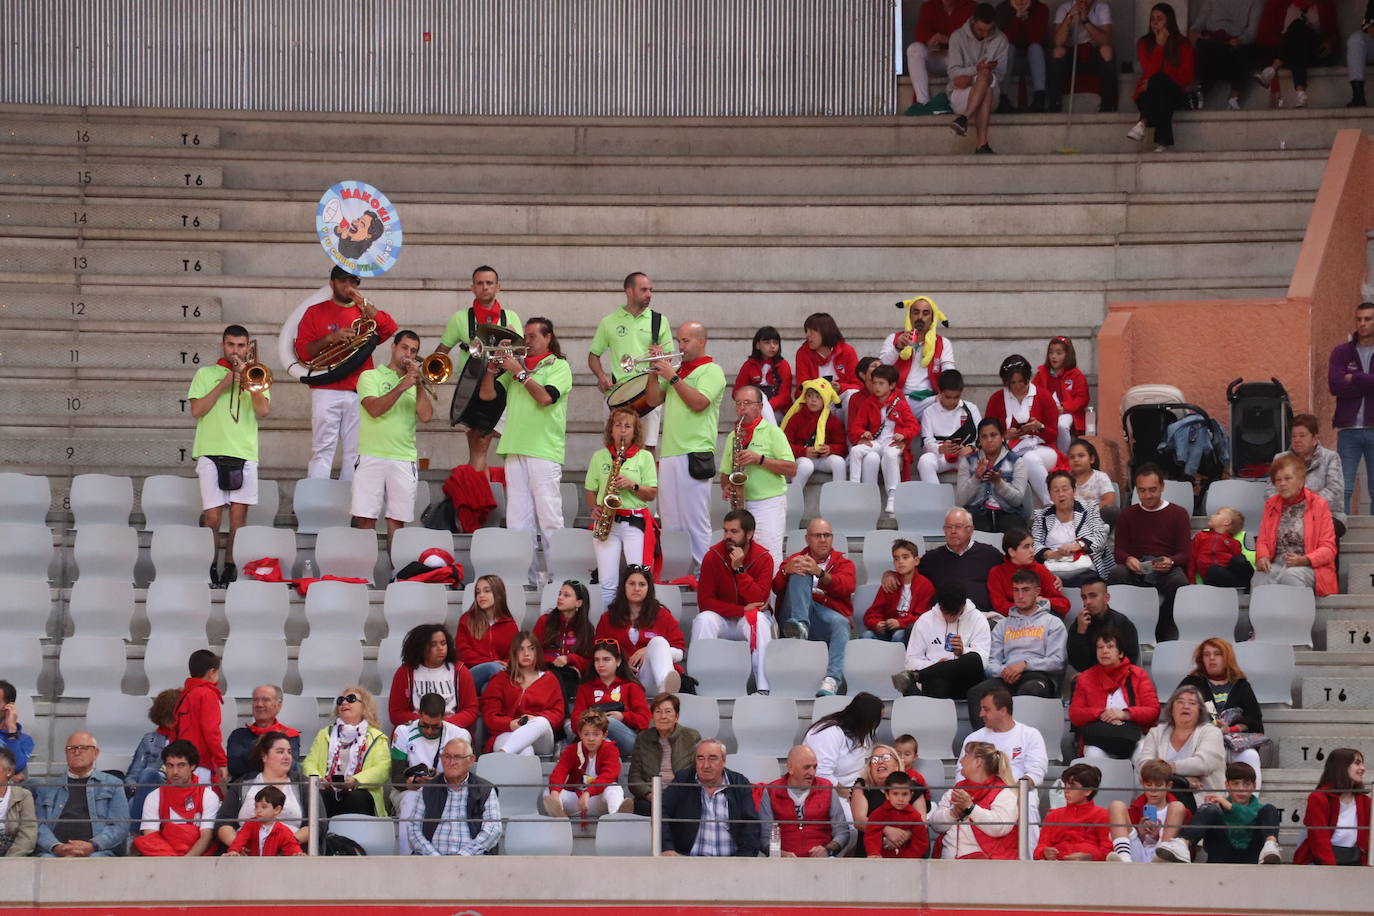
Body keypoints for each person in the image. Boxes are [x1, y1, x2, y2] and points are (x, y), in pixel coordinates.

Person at [480, 317, 573, 581]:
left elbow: (545, 398)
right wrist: (492, 368)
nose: (527, 341)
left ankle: (561, 578)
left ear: (548, 338)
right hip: (514, 446)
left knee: (550, 517)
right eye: (526, 335)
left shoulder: (559, 366)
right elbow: (487, 395)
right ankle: (523, 578)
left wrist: (519, 372)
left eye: (532, 336)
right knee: (517, 521)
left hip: (543, 448)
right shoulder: (516, 368)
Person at [293, 265, 397, 480]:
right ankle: (317, 502)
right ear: (332, 283)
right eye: (343, 281)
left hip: (360, 389)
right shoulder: (315, 311)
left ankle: (349, 505)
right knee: (322, 449)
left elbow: (389, 328)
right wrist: (331, 339)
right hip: (326, 389)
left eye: (353, 281)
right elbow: (303, 352)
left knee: (355, 452)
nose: (349, 286)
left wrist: (363, 304)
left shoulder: (364, 312)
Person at [188, 323, 270, 586]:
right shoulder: (205, 373)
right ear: (223, 345)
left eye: (241, 345)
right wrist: (225, 382)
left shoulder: (257, 375)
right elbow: (197, 410)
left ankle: (231, 567)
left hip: (243, 452)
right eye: (231, 345)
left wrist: (249, 382)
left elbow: (263, 411)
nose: (236, 350)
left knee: (238, 517)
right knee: (212, 517)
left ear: (248, 348)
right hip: (210, 451)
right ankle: (210, 565)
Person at [643, 321, 727, 568]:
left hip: (695, 452)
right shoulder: (679, 370)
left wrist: (673, 376)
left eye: (686, 341)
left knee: (695, 520)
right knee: (670, 520)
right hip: (670, 452)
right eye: (679, 340)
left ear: (702, 341)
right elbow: (652, 399)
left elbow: (699, 403)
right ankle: (674, 570)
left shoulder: (712, 370)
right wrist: (652, 370)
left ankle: (704, 572)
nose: (681, 346)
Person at [433, 265, 521, 472]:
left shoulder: (511, 317)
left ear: (498, 287)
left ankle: (478, 496)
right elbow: (442, 350)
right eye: (480, 283)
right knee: (476, 444)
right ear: (472, 288)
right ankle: (479, 493)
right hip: (470, 386)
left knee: (480, 445)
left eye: (489, 283)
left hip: (500, 387)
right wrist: (429, 367)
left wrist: (514, 339)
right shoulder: (459, 318)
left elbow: (521, 354)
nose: (485, 287)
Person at [350, 329, 433, 548]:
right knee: (365, 518)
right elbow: (374, 409)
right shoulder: (370, 376)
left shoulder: (414, 382)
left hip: (403, 457)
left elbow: (426, 416)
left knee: (397, 520)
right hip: (371, 455)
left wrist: (419, 384)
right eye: (404, 348)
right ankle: (362, 573)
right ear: (393, 347)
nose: (408, 354)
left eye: (414, 351)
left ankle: (396, 575)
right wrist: (403, 385)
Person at [966, 569, 1067, 729]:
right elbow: (992, 664)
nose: (1020, 596)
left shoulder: (1052, 623)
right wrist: (1005, 671)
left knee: (1029, 690)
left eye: (1025, 590)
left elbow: (1057, 662)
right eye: (1016, 590)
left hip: (1038, 676)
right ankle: (986, 746)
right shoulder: (1002, 625)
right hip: (1006, 676)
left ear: (1037, 592)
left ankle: (1019, 744)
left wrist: (1025, 665)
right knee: (977, 692)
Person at [694, 509, 777, 693]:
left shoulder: (764, 558)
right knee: (704, 619)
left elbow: (759, 599)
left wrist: (739, 569)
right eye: (725, 531)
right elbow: (705, 602)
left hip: (746, 621)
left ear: (749, 534)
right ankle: (700, 684)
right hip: (723, 618)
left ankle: (763, 687)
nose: (728, 536)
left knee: (760, 620)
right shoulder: (713, 556)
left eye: (734, 531)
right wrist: (740, 610)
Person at [773, 517, 857, 697]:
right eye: (817, 535)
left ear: (832, 538)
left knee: (841, 623)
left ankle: (832, 680)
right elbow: (777, 589)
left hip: (823, 617)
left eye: (827, 535)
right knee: (800, 569)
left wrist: (819, 573)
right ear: (807, 539)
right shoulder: (794, 560)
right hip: (792, 615)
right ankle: (800, 624)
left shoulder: (844, 563)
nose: (823, 539)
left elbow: (847, 587)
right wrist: (785, 571)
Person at [1109, 464, 1192, 641]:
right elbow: (1119, 552)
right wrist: (1128, 559)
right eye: (1142, 490)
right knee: (1117, 573)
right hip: (1137, 566)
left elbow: (1184, 554)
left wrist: (1170, 561)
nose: (1147, 495)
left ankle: (1161, 631)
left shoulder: (1178, 514)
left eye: (1152, 490)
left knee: (1180, 582)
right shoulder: (1127, 514)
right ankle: (1121, 630)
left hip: (1165, 567)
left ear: (1162, 487)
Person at [586, 407, 659, 607]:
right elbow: (590, 491)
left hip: (633, 522)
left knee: (638, 578)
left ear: (635, 432)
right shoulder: (599, 456)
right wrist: (594, 508)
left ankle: (637, 623)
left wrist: (632, 485)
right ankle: (607, 627)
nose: (623, 430)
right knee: (607, 583)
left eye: (628, 426)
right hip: (607, 522)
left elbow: (651, 493)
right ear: (611, 430)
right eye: (618, 425)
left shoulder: (644, 457)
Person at [589, 272, 672, 447]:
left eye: (651, 290)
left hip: (648, 395)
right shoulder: (609, 321)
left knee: (646, 448)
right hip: (617, 394)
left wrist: (660, 357)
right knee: (614, 448)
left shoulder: (659, 321)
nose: (649, 294)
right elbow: (593, 355)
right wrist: (601, 376)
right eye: (644, 290)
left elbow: (670, 359)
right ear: (629, 291)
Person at [721, 385, 796, 569]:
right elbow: (725, 473)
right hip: (742, 504)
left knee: (769, 556)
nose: (742, 408)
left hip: (768, 504)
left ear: (760, 406)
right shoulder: (733, 436)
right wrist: (726, 485)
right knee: (742, 558)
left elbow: (791, 468)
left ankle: (770, 598)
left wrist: (760, 459)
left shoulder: (773, 433)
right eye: (738, 404)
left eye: (747, 403)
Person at [390, 694, 469, 855]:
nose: (429, 731)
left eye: (435, 727)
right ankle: (406, 857)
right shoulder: (404, 732)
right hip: (409, 790)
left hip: (445, 789)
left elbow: (462, 776)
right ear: (419, 714)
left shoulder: (458, 735)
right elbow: (396, 777)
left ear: (444, 717)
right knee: (412, 800)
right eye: (425, 725)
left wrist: (437, 781)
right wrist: (413, 782)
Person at [1180, 637, 1266, 782]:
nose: (1211, 658)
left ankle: (1248, 803)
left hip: (1234, 744)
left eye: (1217, 654)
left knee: (1250, 756)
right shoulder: (1191, 683)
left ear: (1227, 657)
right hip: (1199, 743)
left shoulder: (1241, 685)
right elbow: (1177, 714)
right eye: (1206, 655)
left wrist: (1231, 729)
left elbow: (1254, 720)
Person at [1253, 452, 1339, 595]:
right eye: (1278, 480)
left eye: (1288, 478)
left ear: (1301, 481)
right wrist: (1262, 557)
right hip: (1277, 564)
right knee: (1260, 576)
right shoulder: (1271, 505)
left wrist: (1305, 560)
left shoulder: (1319, 505)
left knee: (1290, 576)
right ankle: (1262, 617)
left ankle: (1298, 617)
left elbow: (1329, 549)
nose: (1282, 484)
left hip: (1310, 566)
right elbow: (1263, 540)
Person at [660, 739, 762, 857]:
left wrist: (745, 858)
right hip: (688, 861)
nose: (706, 765)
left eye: (712, 758)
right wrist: (667, 847)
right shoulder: (683, 780)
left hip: (731, 862)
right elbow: (662, 811)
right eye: (700, 758)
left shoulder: (739, 782)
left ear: (723, 761)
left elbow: (751, 824)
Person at [33, 732, 129, 857]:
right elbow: (39, 826)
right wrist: (56, 847)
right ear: (66, 754)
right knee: (45, 860)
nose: (77, 752)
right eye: (71, 748)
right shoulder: (48, 788)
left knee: (96, 860)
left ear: (96, 753)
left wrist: (93, 846)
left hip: (98, 851)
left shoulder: (113, 784)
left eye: (83, 748)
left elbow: (120, 826)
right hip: (56, 852)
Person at [1133, 685, 1228, 810]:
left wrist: (1168, 771)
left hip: (1202, 804)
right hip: (1158, 801)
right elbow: (1144, 766)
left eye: (1192, 703)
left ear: (1200, 710)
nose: (1186, 706)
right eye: (1180, 702)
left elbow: (1202, 764)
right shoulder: (1156, 733)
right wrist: (1183, 780)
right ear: (1171, 709)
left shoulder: (1212, 732)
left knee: (1176, 786)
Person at [1069, 630, 1160, 759]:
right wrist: (1102, 714)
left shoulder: (1137, 675)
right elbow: (1075, 714)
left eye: (1110, 646)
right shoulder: (1086, 677)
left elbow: (1153, 711)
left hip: (1134, 738)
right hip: (1099, 738)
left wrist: (1124, 714)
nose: (1104, 651)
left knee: (1143, 754)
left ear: (1121, 653)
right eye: (1100, 647)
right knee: (1093, 755)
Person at [596, 566, 685, 696]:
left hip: (650, 679)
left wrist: (650, 651)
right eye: (632, 584)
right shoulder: (607, 619)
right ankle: (666, 697)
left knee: (658, 642)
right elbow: (597, 652)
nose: (636, 588)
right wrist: (621, 663)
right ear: (624, 586)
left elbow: (680, 653)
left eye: (642, 584)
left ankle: (665, 688)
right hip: (620, 679)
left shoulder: (662, 615)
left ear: (649, 588)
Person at [301, 686, 391, 817]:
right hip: (327, 790)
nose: (344, 702)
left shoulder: (376, 736)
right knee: (317, 798)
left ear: (364, 708)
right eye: (341, 700)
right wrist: (319, 780)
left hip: (360, 792)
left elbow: (383, 769)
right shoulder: (325, 734)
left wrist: (355, 780)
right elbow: (310, 762)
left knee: (356, 798)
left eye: (351, 699)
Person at [894, 580, 992, 699]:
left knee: (974, 658)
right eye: (946, 613)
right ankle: (928, 676)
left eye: (954, 613)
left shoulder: (978, 619)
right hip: (936, 683)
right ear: (939, 605)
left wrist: (963, 651)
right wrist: (936, 665)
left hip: (966, 682)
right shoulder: (925, 621)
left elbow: (983, 662)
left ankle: (916, 676)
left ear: (963, 606)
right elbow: (911, 662)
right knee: (938, 678)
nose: (949, 617)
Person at [213, 731, 309, 850]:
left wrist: (286, 844)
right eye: (280, 752)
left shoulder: (303, 784)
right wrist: (237, 846)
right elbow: (223, 822)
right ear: (264, 756)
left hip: (289, 853)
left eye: (289, 752)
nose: (287, 756)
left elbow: (317, 823)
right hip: (246, 855)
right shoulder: (243, 784)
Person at [984, 354, 1058, 505]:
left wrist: (1040, 427)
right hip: (1009, 450)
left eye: (1021, 382)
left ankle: (1050, 503)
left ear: (1027, 378)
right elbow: (986, 434)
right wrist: (1005, 436)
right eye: (1013, 383)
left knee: (1030, 459)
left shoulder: (1043, 396)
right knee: (1013, 464)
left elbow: (1053, 435)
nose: (1017, 386)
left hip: (1042, 448)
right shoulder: (997, 399)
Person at [410, 737, 502, 856]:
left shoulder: (485, 790)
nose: (451, 762)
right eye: (447, 757)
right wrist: (433, 857)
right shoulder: (427, 789)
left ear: (471, 760)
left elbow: (493, 829)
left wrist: (464, 855)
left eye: (457, 757)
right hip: (432, 862)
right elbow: (413, 828)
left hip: (473, 860)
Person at [846, 364, 919, 514]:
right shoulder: (868, 403)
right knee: (855, 451)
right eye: (874, 383)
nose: (876, 387)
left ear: (892, 386)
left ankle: (892, 497)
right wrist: (863, 433)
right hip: (877, 442)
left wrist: (903, 434)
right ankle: (853, 488)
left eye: (881, 383)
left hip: (892, 443)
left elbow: (914, 426)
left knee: (891, 455)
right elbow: (855, 427)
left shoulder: (900, 404)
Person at [928, 741, 1019, 859]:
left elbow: (1000, 828)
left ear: (977, 762)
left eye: (965, 755)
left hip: (984, 867)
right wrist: (953, 813)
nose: (960, 761)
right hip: (948, 865)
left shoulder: (1004, 792)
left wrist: (970, 808)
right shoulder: (956, 790)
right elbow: (935, 826)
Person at [803, 692, 884, 824]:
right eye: (876, 720)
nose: (876, 725)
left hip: (858, 789)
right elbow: (821, 773)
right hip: (832, 793)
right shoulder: (828, 733)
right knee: (851, 825)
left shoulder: (861, 733)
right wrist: (849, 794)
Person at [480, 631, 565, 755]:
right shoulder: (501, 679)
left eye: (531, 649)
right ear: (514, 653)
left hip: (540, 737)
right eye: (521, 649)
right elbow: (490, 715)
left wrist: (532, 719)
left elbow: (558, 714)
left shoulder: (550, 679)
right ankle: (505, 753)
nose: (526, 653)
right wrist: (511, 724)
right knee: (526, 751)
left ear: (537, 652)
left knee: (541, 721)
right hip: (507, 732)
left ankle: (501, 754)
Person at [759, 745, 852, 858]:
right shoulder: (771, 791)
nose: (812, 773)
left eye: (814, 767)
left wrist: (827, 850)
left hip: (822, 863)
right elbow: (764, 837)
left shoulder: (826, 788)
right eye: (806, 767)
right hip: (781, 864)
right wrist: (779, 854)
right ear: (790, 768)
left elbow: (842, 832)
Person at [1180, 762, 1282, 863]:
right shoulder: (1218, 807)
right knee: (1210, 809)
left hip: (1253, 857)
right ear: (1227, 785)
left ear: (1254, 786)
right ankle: (1183, 843)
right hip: (1220, 857)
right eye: (1235, 783)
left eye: (1246, 784)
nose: (1241, 789)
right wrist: (1208, 809)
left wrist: (1229, 806)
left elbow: (1250, 816)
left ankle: (1270, 845)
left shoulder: (1261, 810)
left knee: (1270, 809)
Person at [386, 623, 479, 733]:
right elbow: (396, 713)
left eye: (443, 643)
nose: (441, 648)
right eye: (433, 644)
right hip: (417, 728)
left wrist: (443, 723)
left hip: (451, 728)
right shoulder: (405, 672)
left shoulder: (460, 671)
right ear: (421, 647)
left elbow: (470, 710)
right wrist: (426, 722)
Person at [1126, 4, 1195, 152]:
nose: (1155, 23)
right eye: (1152, 19)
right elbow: (1149, 71)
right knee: (1157, 83)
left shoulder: (1183, 43)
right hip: (1147, 94)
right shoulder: (1144, 43)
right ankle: (1163, 142)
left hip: (1173, 92)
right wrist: (1160, 46)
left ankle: (1142, 121)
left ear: (1169, 21)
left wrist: (1158, 80)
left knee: (1159, 81)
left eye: (1159, 19)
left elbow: (1186, 77)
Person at [1267, 413, 1346, 538]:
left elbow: (1334, 490)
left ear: (1314, 439)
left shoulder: (1330, 457)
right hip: (1287, 513)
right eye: (1294, 436)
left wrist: (1306, 506)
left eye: (1302, 436)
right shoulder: (1281, 458)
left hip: (1326, 514)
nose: (1297, 440)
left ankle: (1323, 558)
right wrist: (1291, 508)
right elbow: (1270, 490)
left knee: (1324, 527)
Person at [132, 740, 214, 857]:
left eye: (181, 765)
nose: (175, 772)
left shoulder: (208, 796)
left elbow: (206, 836)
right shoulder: (154, 796)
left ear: (193, 766)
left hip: (196, 860)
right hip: (165, 858)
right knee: (142, 841)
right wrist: (173, 863)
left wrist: (184, 862)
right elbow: (150, 837)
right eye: (170, 766)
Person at [960, 688, 1049, 797]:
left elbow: (1035, 773)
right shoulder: (974, 739)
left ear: (1003, 711)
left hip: (1021, 797)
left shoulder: (1030, 735)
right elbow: (961, 773)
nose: (980, 714)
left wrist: (1009, 795)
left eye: (986, 709)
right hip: (980, 799)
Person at [947, 4, 1011, 154]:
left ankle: (964, 118)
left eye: (988, 31)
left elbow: (1000, 75)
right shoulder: (957, 37)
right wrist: (976, 70)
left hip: (987, 88)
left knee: (987, 77)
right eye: (981, 30)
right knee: (986, 86)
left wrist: (976, 76)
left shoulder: (1001, 39)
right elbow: (953, 73)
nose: (984, 34)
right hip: (962, 92)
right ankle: (982, 144)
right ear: (973, 22)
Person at [572, 637, 652, 757]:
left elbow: (644, 720)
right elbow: (575, 722)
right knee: (604, 743)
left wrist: (622, 717)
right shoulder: (585, 688)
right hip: (596, 739)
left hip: (629, 741)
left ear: (618, 661)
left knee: (607, 722)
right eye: (597, 660)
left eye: (606, 659)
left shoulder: (631, 686)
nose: (600, 664)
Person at [1031, 470, 1113, 586]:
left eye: (1065, 489)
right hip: (1053, 568)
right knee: (1045, 581)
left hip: (1085, 567)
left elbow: (1100, 535)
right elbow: (1034, 544)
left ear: (1073, 490)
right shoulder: (1042, 516)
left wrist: (1078, 546)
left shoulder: (1089, 509)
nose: (1061, 494)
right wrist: (1051, 554)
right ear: (1050, 494)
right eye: (1056, 490)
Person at [880, 297, 957, 420]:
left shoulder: (943, 343)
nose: (920, 317)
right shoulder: (893, 338)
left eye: (925, 313)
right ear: (909, 316)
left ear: (932, 318)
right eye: (916, 312)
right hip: (896, 398)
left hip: (928, 400)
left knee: (956, 405)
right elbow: (879, 369)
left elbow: (949, 372)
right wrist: (897, 348)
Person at [1331, 301, 1374, 517]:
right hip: (1348, 429)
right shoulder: (1341, 352)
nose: (1363, 323)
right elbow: (1335, 385)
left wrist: (1355, 378)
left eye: (1368, 319)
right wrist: (1368, 385)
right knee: (1344, 487)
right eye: (1359, 319)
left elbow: (1347, 383)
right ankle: (1342, 533)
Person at [1254, 0, 1340, 108]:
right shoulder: (1278, 3)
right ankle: (1301, 93)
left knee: (1297, 25)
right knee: (1296, 40)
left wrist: (1330, 43)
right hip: (1289, 53)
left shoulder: (1324, 4)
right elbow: (1266, 41)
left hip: (1315, 52)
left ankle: (1273, 68)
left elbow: (1334, 34)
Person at [916, 507, 1004, 611]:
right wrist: (892, 576)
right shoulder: (931, 559)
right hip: (944, 618)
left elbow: (1010, 571)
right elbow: (909, 574)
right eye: (948, 527)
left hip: (982, 617)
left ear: (970, 530)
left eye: (958, 527)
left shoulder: (990, 555)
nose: (953, 531)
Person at [627, 693, 702, 816]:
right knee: (642, 806)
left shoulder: (691, 737)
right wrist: (650, 795)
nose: (663, 716)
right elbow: (634, 778)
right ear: (652, 716)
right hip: (652, 796)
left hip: (682, 795)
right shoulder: (643, 738)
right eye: (658, 712)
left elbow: (698, 772)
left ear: (676, 716)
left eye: (668, 711)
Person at [546, 709, 630, 818]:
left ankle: (617, 817)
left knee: (614, 788)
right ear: (580, 734)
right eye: (586, 734)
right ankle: (561, 819)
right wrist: (555, 793)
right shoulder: (572, 750)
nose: (591, 739)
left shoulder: (610, 749)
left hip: (597, 801)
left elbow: (608, 776)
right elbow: (559, 772)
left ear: (604, 735)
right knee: (549, 792)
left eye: (596, 734)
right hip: (576, 800)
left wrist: (588, 792)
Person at [1107, 757, 1193, 862]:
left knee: (1177, 806)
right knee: (1116, 805)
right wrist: (1141, 834)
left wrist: (1157, 837)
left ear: (1169, 786)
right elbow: (1130, 837)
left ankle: (1163, 855)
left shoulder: (1177, 809)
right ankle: (1124, 858)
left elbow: (1185, 843)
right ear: (1142, 783)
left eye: (1158, 785)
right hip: (1136, 853)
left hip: (1161, 854)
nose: (1153, 790)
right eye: (1148, 785)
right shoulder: (1135, 809)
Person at [1293, 747, 1369, 865]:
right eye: (1357, 763)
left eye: (1362, 764)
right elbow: (1319, 840)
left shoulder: (1365, 801)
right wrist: (1333, 871)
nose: (1363, 768)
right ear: (1341, 767)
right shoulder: (1318, 798)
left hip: (1355, 862)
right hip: (1322, 862)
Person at [955, 418, 1029, 533]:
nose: (989, 440)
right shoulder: (968, 462)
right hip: (976, 513)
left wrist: (999, 483)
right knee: (971, 528)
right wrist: (976, 477)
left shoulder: (1016, 462)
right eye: (984, 436)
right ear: (979, 440)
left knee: (1016, 534)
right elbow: (960, 501)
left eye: (993, 435)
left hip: (1009, 512)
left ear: (1002, 437)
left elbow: (1017, 500)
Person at [852, 744, 931, 850]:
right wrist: (885, 830)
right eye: (874, 759)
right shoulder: (862, 786)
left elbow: (922, 823)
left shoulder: (913, 787)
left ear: (897, 765)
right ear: (870, 768)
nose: (880, 761)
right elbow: (859, 820)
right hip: (872, 852)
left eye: (886, 757)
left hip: (908, 850)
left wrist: (902, 837)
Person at [533, 580, 596, 707]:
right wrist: (552, 661)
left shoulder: (586, 629)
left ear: (578, 603)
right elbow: (533, 650)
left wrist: (569, 659)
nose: (560, 598)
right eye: (560, 594)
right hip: (545, 671)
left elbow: (590, 661)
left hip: (569, 675)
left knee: (568, 676)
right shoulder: (544, 621)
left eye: (566, 595)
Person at [170, 648, 228, 786]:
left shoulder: (185, 695)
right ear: (212, 672)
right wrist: (221, 761)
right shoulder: (207, 694)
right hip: (201, 764)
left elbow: (174, 731)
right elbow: (211, 731)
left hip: (183, 763)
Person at [1188, 0, 1261, 109]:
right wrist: (1195, 36)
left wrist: (1238, 41)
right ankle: (1199, 94)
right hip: (1212, 42)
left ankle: (1231, 98)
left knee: (1248, 52)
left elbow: (1251, 33)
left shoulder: (1255, 2)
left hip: (1234, 45)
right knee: (1210, 49)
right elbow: (1199, 23)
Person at [456, 575, 520, 696]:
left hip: (498, 675)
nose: (481, 595)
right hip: (469, 675)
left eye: (487, 591)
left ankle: (489, 713)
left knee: (488, 687)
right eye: (478, 592)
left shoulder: (510, 625)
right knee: (493, 669)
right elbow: (463, 653)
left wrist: (504, 663)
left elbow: (513, 655)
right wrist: (492, 662)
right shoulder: (466, 620)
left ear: (499, 594)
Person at [1048, 0, 1117, 111]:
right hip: (1071, 55)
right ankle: (1055, 102)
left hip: (1092, 54)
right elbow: (1057, 42)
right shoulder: (1064, 8)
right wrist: (1069, 17)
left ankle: (1107, 103)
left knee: (1107, 50)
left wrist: (1085, 21)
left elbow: (1105, 40)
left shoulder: (1102, 7)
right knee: (1057, 51)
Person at [862, 538, 934, 643]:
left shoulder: (925, 585)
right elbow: (872, 612)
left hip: (909, 630)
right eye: (896, 558)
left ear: (916, 561)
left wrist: (900, 623)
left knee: (899, 635)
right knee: (866, 635)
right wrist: (876, 623)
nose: (900, 562)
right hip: (888, 629)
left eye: (905, 557)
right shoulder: (890, 582)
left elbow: (924, 616)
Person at [915, 370, 980, 485]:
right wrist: (940, 449)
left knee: (982, 463)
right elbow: (926, 443)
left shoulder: (971, 409)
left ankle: (973, 501)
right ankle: (936, 499)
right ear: (939, 392)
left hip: (964, 454)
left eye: (956, 397)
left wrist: (971, 448)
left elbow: (981, 437)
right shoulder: (929, 412)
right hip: (940, 456)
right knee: (925, 461)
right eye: (948, 397)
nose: (952, 401)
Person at [988, 527, 1072, 616]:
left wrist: (1044, 601)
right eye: (1026, 547)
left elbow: (1064, 604)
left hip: (1042, 617)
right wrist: (1028, 607)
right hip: (1013, 620)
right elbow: (1000, 606)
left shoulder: (1041, 570)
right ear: (1012, 552)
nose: (1032, 551)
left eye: (1032, 546)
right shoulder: (996, 573)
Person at [1034, 762, 1111, 860]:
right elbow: (1039, 849)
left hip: (1091, 870)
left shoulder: (1103, 815)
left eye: (1073, 786)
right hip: (1056, 868)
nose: (1066, 790)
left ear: (1088, 791)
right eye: (1065, 785)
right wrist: (1044, 852)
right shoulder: (1053, 815)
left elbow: (1108, 851)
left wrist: (1090, 857)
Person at [781, 379, 848, 491]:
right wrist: (804, 451)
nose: (813, 400)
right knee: (806, 466)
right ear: (805, 398)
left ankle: (839, 498)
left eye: (818, 397)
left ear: (826, 400)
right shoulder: (796, 418)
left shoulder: (832, 421)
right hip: (802, 457)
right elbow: (785, 445)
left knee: (839, 462)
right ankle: (793, 498)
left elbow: (843, 447)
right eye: (810, 396)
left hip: (823, 459)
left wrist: (830, 449)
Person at [908, 0, 978, 105]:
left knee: (968, 57)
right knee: (914, 48)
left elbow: (974, 41)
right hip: (936, 57)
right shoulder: (929, 6)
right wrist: (932, 38)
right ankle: (923, 102)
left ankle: (953, 101)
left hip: (959, 59)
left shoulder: (970, 6)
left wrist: (949, 40)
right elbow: (920, 34)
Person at [225, 684, 302, 780]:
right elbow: (236, 768)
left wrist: (256, 753)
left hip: (280, 790)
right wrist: (271, 753)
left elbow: (291, 768)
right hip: (245, 789)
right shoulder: (239, 735)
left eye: (266, 700)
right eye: (255, 700)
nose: (259, 704)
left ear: (279, 705)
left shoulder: (289, 735)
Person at [1066, 577, 1141, 672]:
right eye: (1084, 597)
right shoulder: (1080, 623)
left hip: (1117, 677)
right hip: (1089, 678)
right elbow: (1078, 664)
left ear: (1106, 598)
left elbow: (1130, 660)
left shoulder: (1122, 623)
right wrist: (1081, 634)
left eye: (1093, 596)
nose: (1087, 602)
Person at [794, 313, 862, 416]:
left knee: (852, 396)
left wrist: (840, 387)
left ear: (825, 332)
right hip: (816, 401)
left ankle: (852, 432)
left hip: (840, 400)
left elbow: (859, 385)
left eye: (811, 331)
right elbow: (802, 387)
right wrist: (820, 389)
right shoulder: (803, 353)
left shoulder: (847, 351)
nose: (807, 335)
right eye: (806, 331)